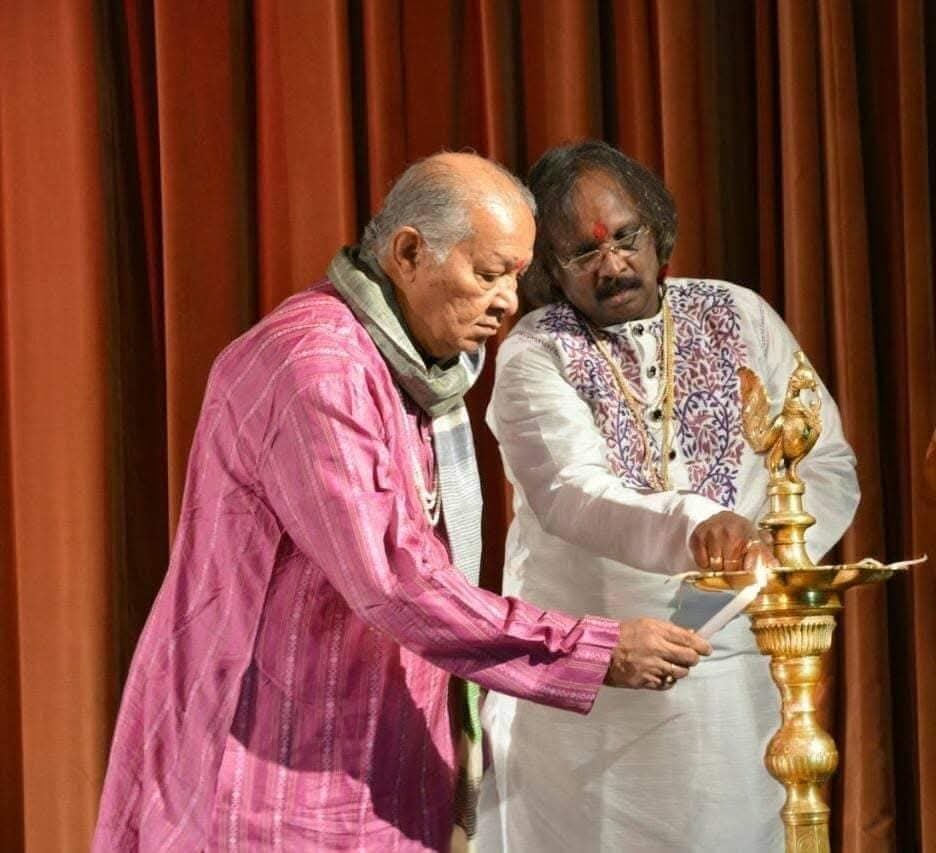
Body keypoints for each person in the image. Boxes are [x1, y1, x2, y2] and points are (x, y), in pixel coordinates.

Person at [92, 151, 712, 852]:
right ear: (409, 253)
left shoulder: (418, 371)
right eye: (489, 274)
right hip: (269, 773)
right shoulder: (318, 367)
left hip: (379, 759)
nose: (509, 302)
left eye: (516, 276)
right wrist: (593, 649)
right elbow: (396, 579)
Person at [477, 140, 860, 852]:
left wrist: (770, 549)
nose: (612, 265)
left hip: (733, 676)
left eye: (626, 237)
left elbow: (825, 463)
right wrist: (700, 524)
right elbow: (571, 492)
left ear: (657, 232)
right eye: (583, 253)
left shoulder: (739, 315)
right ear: (551, 269)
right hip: (595, 689)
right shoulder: (536, 351)